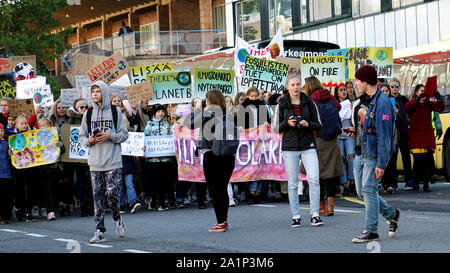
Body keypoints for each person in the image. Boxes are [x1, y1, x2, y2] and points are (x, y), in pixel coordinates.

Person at [349, 65, 400, 243]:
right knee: (361, 192)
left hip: (372, 155)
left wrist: (381, 163)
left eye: (357, 80)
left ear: (365, 82)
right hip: (360, 152)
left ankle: (371, 230)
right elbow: (367, 127)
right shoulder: (366, 100)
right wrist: (355, 130)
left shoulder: (383, 102)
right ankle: (392, 214)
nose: (355, 84)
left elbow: (385, 136)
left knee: (368, 191)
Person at [79, 81, 128, 244]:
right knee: (97, 196)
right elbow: (82, 137)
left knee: (112, 194)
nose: (95, 94)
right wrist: (90, 140)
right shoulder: (88, 113)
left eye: (98, 91)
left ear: (104, 93)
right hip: (95, 162)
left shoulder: (115, 111)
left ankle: (117, 217)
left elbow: (124, 134)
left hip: (113, 160)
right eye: (93, 91)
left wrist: (110, 136)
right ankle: (99, 230)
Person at [274, 75, 323, 227]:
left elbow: (319, 124)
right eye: (293, 85)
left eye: (298, 84)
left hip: (308, 145)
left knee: (314, 179)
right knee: (293, 184)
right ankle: (296, 216)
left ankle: (315, 214)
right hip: (290, 147)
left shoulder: (309, 102)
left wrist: (308, 123)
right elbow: (275, 128)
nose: (296, 87)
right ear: (287, 87)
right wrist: (287, 123)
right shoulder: (281, 103)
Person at [188, 90, 236, 232]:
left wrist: (197, 108)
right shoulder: (228, 113)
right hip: (228, 155)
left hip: (212, 155)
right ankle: (224, 220)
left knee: (215, 190)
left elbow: (191, 124)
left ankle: (220, 222)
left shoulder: (207, 114)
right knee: (223, 188)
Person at [305, 77, 344, 217]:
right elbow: (338, 107)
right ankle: (331, 206)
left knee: (319, 173)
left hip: (317, 138)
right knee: (331, 172)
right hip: (332, 139)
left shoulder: (309, 100)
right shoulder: (330, 97)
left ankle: (321, 206)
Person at [405, 84, 445, 192]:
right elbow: (407, 107)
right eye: (421, 91)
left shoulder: (428, 104)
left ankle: (426, 184)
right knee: (418, 161)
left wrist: (439, 98)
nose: (423, 93)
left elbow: (440, 107)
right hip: (416, 138)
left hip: (427, 138)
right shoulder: (413, 103)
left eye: (424, 91)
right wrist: (417, 100)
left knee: (427, 161)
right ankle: (416, 183)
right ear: (416, 92)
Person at [237, 87, 270, 204]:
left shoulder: (262, 105)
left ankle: (258, 192)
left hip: (262, 139)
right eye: (252, 96)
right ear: (248, 96)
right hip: (249, 140)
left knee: (261, 165)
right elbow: (240, 123)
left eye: (256, 96)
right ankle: (251, 191)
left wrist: (266, 123)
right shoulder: (243, 107)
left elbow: (267, 119)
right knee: (252, 165)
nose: (254, 98)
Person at [110, 95, 141, 214]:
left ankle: (133, 202)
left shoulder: (127, 114)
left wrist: (136, 150)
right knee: (119, 183)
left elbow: (135, 128)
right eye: (114, 101)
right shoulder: (108, 115)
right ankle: (121, 204)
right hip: (115, 154)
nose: (117, 102)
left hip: (127, 155)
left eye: (119, 101)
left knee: (129, 181)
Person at [143, 104, 176, 211]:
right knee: (153, 181)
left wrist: (174, 124)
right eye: (158, 112)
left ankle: (162, 203)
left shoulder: (168, 124)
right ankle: (153, 203)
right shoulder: (149, 124)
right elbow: (144, 138)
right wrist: (143, 149)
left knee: (164, 180)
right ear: (154, 113)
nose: (160, 113)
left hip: (165, 158)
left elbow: (173, 136)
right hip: (153, 159)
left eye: (162, 111)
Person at [67, 98, 94, 217]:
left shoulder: (92, 118)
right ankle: (83, 205)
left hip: (91, 157)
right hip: (78, 159)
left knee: (91, 183)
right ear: (77, 109)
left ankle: (90, 205)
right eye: (81, 107)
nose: (84, 109)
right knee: (81, 183)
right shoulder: (72, 120)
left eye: (85, 107)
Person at [388, 78, 413, 190]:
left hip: (403, 131)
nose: (395, 88)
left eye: (396, 86)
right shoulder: (386, 100)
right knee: (393, 158)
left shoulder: (404, 99)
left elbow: (410, 112)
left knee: (406, 157)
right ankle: (393, 182)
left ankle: (409, 180)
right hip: (392, 132)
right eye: (392, 86)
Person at [11, 115, 36, 222]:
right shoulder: (12, 137)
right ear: (16, 125)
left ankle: (28, 211)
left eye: (25, 123)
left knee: (30, 188)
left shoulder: (31, 135)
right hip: (18, 168)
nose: (24, 125)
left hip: (29, 166)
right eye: (22, 123)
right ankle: (19, 209)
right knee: (19, 189)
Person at [334, 85, 356, 196]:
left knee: (351, 157)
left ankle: (352, 180)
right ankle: (344, 184)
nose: (343, 92)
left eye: (344, 90)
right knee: (341, 158)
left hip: (349, 133)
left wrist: (353, 110)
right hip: (338, 134)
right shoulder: (334, 104)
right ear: (337, 93)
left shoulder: (353, 103)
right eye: (341, 90)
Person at [379, 84, 401, 193]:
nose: (385, 93)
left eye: (386, 91)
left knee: (392, 162)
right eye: (382, 91)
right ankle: (384, 183)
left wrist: (397, 113)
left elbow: (401, 121)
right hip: (381, 138)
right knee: (383, 162)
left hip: (393, 137)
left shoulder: (393, 104)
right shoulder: (377, 104)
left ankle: (390, 183)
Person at [0, 123, 14, 224]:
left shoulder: (6, 143)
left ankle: (6, 216)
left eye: (1, 131)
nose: (0, 133)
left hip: (7, 173)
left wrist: (11, 153)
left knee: (7, 196)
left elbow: (12, 154)